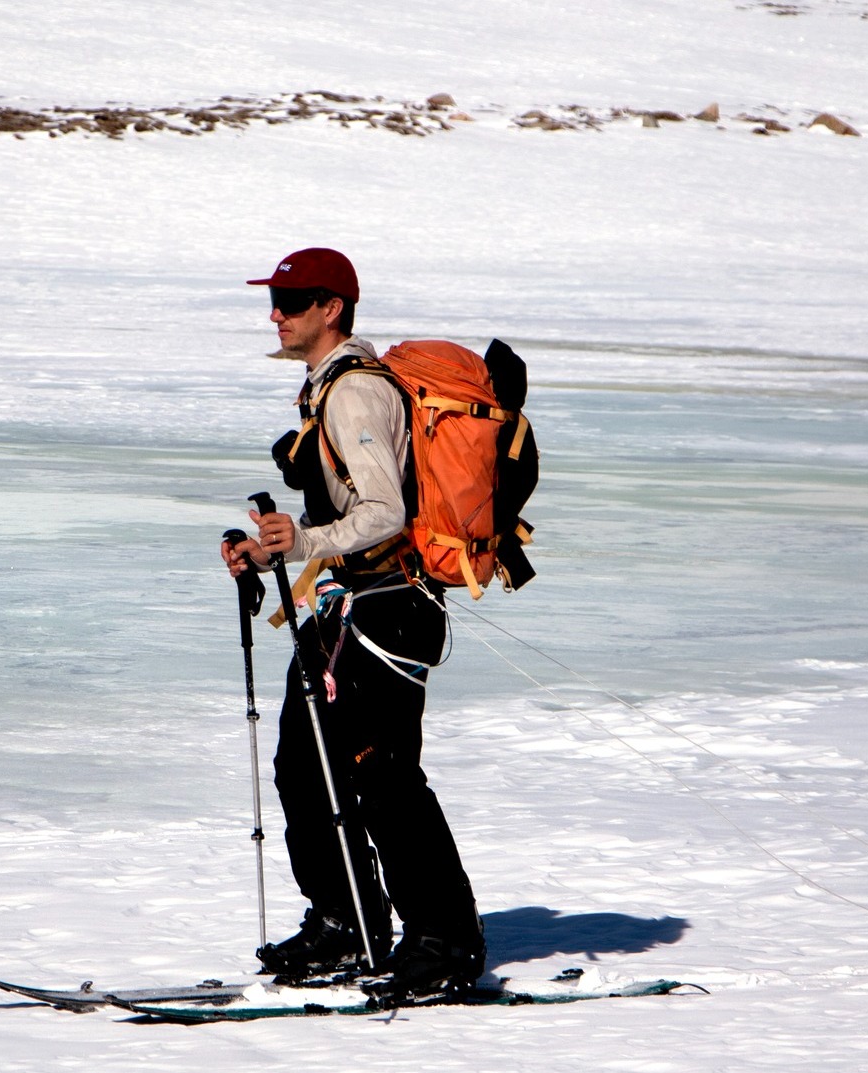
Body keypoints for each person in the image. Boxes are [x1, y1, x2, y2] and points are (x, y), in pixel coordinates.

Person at [220, 247, 486, 998]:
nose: (276, 313)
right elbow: (337, 516)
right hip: (349, 603)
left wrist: (302, 542)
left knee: (384, 777)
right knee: (305, 767)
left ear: (332, 307)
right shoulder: (324, 389)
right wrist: (264, 547)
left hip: (391, 607)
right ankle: (346, 922)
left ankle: (445, 941)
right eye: (274, 298)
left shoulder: (354, 395)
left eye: (292, 299)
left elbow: (384, 512)